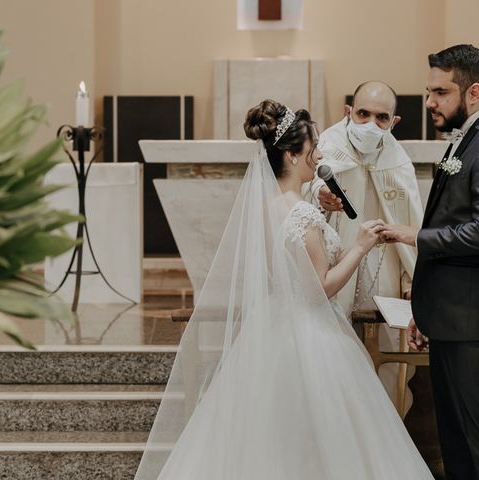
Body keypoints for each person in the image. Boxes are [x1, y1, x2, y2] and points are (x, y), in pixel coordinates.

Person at [134, 100, 433, 479]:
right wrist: (359, 246)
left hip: (273, 325)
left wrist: (327, 221)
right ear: (293, 155)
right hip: (309, 335)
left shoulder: (269, 207)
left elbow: (290, 272)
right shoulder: (302, 213)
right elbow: (318, 289)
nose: (320, 154)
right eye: (313, 148)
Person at [382, 45, 479, 479]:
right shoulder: (466, 139)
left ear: (473, 92)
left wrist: (413, 235)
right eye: (429, 90)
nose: (430, 102)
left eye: (440, 92)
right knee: (458, 453)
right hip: (453, 324)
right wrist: (426, 307)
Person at [307, 81, 424, 409]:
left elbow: (412, 225)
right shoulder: (325, 147)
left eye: (381, 118)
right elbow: (297, 194)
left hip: (383, 273)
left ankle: (384, 433)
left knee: (387, 365)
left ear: (394, 122)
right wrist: (320, 197)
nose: (371, 124)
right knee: (330, 362)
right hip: (335, 270)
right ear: (348, 111)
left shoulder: (398, 162)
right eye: (362, 114)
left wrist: (412, 281)